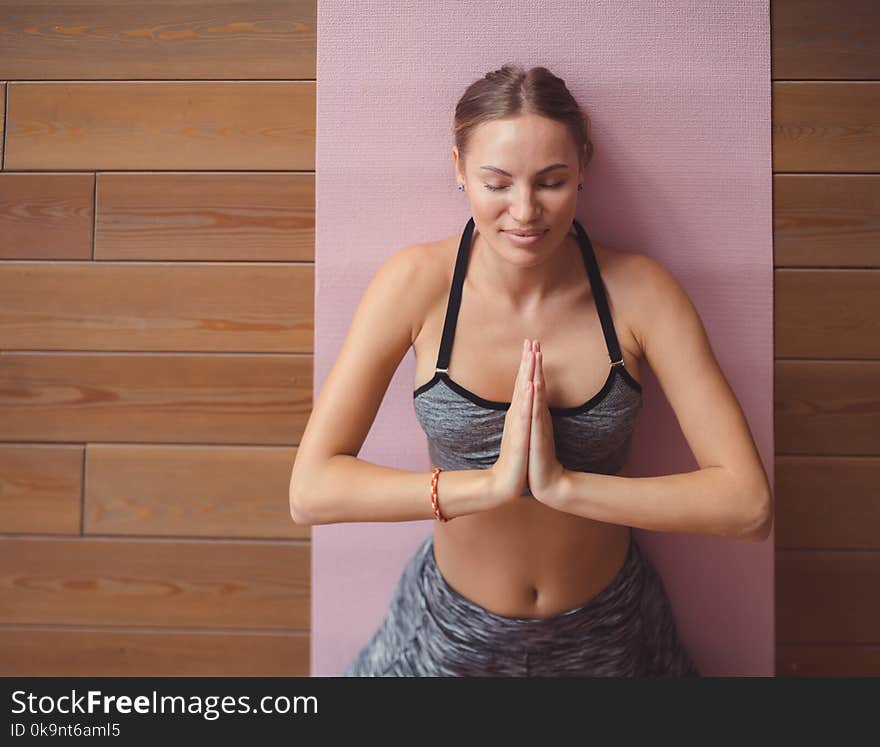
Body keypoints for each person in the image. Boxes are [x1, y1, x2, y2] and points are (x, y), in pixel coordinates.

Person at [289, 64, 772, 677]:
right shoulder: (413, 285)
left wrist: (567, 487)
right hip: (451, 631)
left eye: (552, 181)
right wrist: (483, 488)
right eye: (497, 182)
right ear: (459, 168)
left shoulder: (641, 292)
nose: (524, 211)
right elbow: (310, 491)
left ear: (582, 170)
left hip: (611, 631)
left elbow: (748, 504)